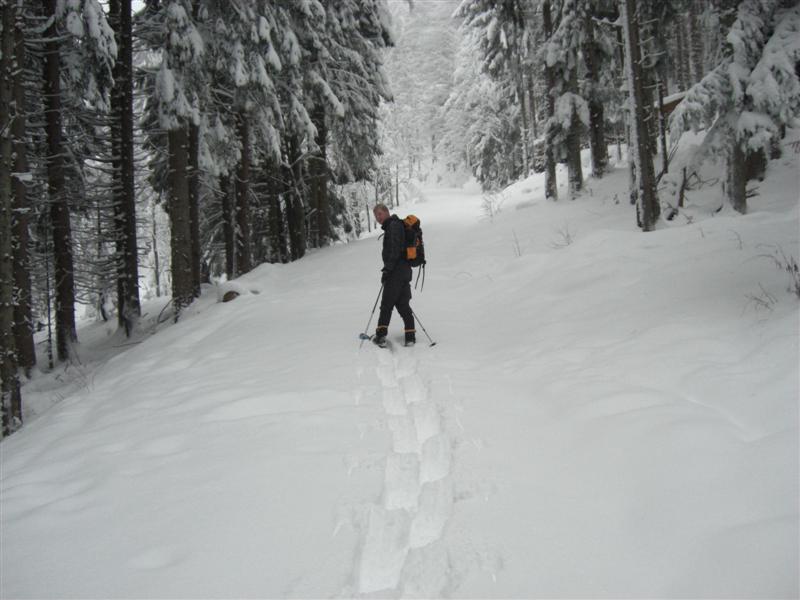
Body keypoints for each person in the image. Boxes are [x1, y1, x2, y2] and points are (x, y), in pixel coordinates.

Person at [373, 203, 415, 346]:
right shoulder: (395, 225)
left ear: (386, 212)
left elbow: (395, 250)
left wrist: (387, 270)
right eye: (375, 216)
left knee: (386, 304)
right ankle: (410, 337)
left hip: (396, 271)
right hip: (404, 271)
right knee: (403, 304)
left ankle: (380, 336)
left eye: (379, 214)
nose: (378, 218)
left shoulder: (393, 226)